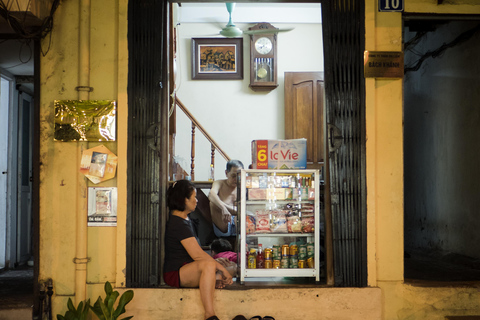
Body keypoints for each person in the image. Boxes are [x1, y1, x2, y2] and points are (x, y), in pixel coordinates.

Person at [163, 180, 233, 320]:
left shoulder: (185, 219)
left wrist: (219, 265)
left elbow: (197, 254)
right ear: (184, 200)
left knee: (229, 268)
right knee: (213, 266)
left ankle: (213, 279)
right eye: (194, 197)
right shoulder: (178, 223)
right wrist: (220, 268)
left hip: (188, 268)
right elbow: (198, 255)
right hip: (175, 273)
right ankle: (210, 315)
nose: (196, 200)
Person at [208, 160, 244, 239]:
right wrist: (223, 208)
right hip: (223, 225)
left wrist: (228, 209)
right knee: (213, 203)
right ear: (226, 173)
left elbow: (243, 210)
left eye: (239, 176)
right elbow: (211, 194)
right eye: (233, 176)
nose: (236, 179)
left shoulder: (243, 187)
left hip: (239, 224)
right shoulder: (219, 183)